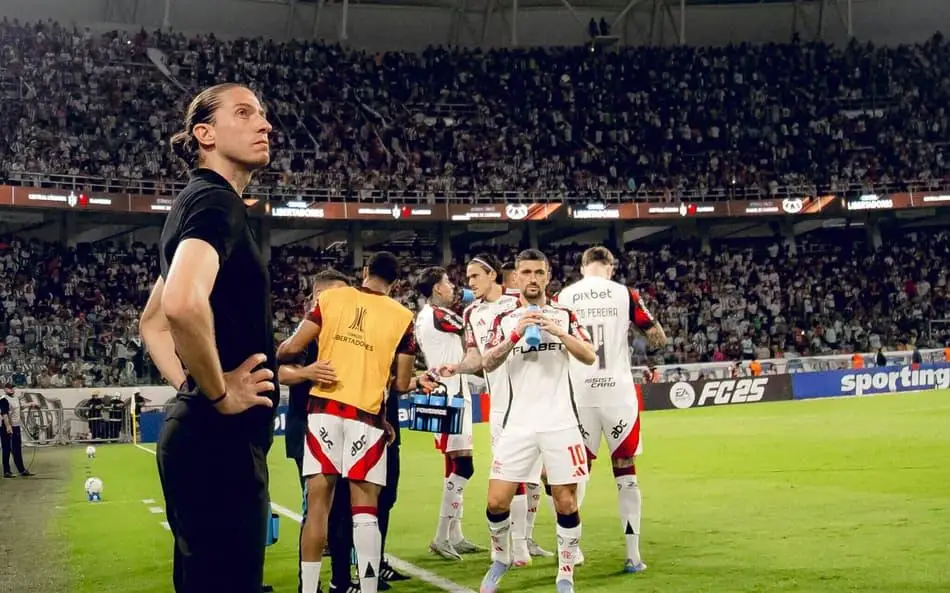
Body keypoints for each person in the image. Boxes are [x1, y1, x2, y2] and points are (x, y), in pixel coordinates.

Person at [138, 82, 278, 593]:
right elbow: (178, 305)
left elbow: (150, 321)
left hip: (201, 437)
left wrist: (193, 388)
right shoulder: (215, 203)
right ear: (205, 134)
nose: (264, 124)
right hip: (219, 445)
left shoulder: (198, 202)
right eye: (244, 113)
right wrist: (217, 392)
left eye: (262, 114)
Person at [439, 248, 596, 593]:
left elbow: (589, 355)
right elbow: (488, 363)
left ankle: (565, 572)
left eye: (538, 273)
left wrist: (558, 332)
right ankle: (501, 558)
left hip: (561, 422)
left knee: (566, 501)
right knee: (496, 501)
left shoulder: (565, 314)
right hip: (517, 423)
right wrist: (515, 336)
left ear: (548, 276)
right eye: (525, 273)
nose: (532, 279)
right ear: (516, 278)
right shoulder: (504, 320)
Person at [276, 251, 418, 593]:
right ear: (396, 283)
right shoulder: (403, 317)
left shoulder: (331, 300)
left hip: (322, 413)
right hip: (365, 419)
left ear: (365, 271)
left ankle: (309, 589)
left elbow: (287, 351)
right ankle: (366, 588)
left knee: (318, 510)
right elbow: (400, 383)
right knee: (365, 513)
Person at [556, 246, 667, 574]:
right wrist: (631, 337)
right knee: (626, 470)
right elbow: (657, 338)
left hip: (579, 394)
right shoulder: (625, 293)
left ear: (583, 266)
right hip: (618, 394)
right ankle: (633, 555)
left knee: (576, 471)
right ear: (610, 267)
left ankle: (572, 550)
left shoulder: (564, 296)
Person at [440, 253, 550, 566]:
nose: (469, 283)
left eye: (475, 276)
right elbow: (476, 358)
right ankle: (517, 547)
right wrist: (458, 367)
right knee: (511, 474)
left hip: (535, 397)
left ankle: (527, 539)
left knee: (534, 477)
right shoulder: (472, 312)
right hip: (500, 404)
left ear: (492, 275)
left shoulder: (520, 300)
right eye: (467, 277)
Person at [278, 269, 349, 593]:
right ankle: (309, 585)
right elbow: (279, 370)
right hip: (306, 428)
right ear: (316, 298)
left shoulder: (346, 332)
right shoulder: (305, 333)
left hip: (345, 428)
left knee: (342, 511)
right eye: (335, 295)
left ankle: (341, 580)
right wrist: (307, 372)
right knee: (316, 508)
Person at [413, 266, 483, 560]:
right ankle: (441, 536)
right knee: (464, 467)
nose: (453, 287)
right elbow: (473, 329)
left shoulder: (425, 317)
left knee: (452, 467)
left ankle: (455, 534)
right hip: (450, 395)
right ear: (437, 289)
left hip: (446, 392)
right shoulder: (439, 315)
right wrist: (479, 300)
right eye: (448, 283)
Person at [1, 385, 32, 478]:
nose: (11, 390)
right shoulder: (3, 400)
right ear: (5, 390)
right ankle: (6, 471)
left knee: (17, 449)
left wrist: (30, 404)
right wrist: (8, 427)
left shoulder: (15, 399)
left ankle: (21, 469)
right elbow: (4, 414)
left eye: (12, 388)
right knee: (6, 449)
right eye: (9, 388)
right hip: (7, 427)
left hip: (16, 426)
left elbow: (20, 407)